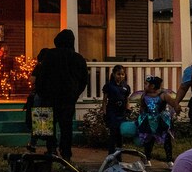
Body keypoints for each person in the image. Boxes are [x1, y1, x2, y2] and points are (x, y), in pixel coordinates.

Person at [32, 29, 88, 160]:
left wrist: (41, 92)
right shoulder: (78, 58)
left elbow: (41, 75)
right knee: (66, 127)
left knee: (48, 125)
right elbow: (84, 80)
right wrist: (75, 94)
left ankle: (51, 149)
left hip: (49, 97)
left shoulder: (50, 55)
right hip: (68, 99)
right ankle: (66, 153)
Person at [135, 75, 178, 166]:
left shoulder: (163, 95)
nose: (144, 86)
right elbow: (142, 107)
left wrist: (176, 108)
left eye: (146, 84)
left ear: (152, 86)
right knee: (148, 139)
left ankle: (169, 160)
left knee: (166, 139)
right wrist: (140, 118)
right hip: (148, 120)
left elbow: (173, 103)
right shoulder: (144, 95)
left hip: (161, 120)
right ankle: (147, 159)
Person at [101, 65, 131, 154]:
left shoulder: (126, 86)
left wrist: (128, 109)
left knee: (120, 134)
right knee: (113, 134)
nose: (120, 76)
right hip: (112, 112)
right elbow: (104, 100)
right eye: (118, 74)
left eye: (122, 74)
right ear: (114, 74)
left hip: (122, 113)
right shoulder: (109, 86)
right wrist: (104, 112)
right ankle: (111, 155)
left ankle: (118, 156)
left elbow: (127, 99)